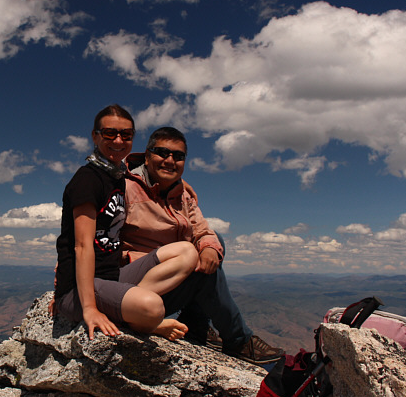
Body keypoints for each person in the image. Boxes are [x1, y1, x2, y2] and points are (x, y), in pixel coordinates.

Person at [121, 126, 284, 365]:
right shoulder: (124, 189)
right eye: (162, 153)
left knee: (214, 246)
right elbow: (89, 238)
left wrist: (208, 247)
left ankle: (196, 326)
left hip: (168, 276)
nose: (170, 160)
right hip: (137, 289)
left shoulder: (181, 194)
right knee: (203, 272)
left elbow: (203, 229)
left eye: (178, 156)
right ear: (147, 156)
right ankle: (238, 340)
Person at [53, 105, 200, 340]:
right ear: (95, 136)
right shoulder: (87, 180)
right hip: (80, 289)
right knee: (153, 307)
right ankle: (145, 319)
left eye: (126, 135)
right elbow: (82, 245)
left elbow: (138, 173)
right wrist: (88, 308)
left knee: (188, 252)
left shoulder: (117, 177)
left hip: (111, 277)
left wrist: (180, 184)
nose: (119, 140)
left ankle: (131, 308)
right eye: (110, 133)